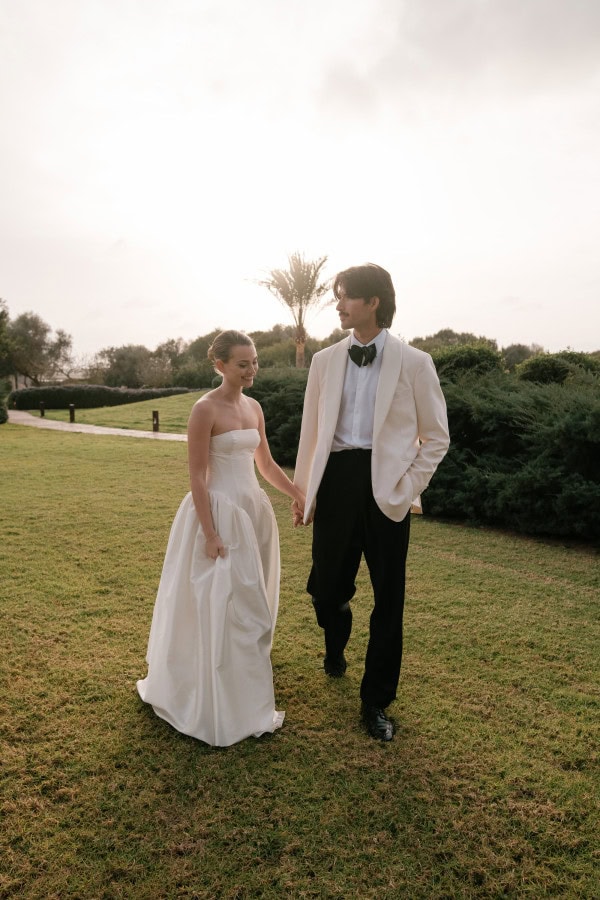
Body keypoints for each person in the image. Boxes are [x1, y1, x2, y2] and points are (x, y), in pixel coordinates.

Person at [292, 264, 449, 741]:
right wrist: (305, 492)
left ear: (373, 302)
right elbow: (311, 434)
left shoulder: (416, 362)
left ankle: (375, 701)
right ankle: (334, 643)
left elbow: (437, 438)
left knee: (389, 600)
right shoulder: (323, 361)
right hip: (336, 482)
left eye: (345, 296)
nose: (338, 305)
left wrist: (407, 487)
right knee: (326, 591)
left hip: (386, 489)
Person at [137, 330, 305, 747]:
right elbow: (197, 475)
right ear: (220, 365)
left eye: (254, 362)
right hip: (220, 514)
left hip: (254, 512)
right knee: (225, 598)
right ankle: (213, 681)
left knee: (255, 595)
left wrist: (298, 493)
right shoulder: (204, 409)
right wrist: (210, 532)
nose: (251, 370)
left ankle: (244, 667)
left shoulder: (254, 407)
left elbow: (264, 463)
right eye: (242, 364)